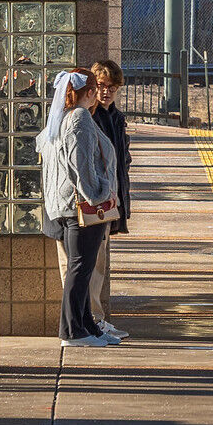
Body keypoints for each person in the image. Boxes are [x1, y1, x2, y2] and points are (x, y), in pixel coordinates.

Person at [40, 69, 118, 348]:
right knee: (79, 268)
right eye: (96, 88)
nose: (99, 93)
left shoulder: (60, 119)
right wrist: (99, 196)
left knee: (80, 269)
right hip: (81, 208)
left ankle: (87, 327)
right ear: (89, 92)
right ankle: (72, 331)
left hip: (62, 206)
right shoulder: (80, 117)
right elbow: (80, 164)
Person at [89, 59, 129, 338]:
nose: (106, 93)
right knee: (92, 265)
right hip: (96, 201)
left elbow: (121, 158)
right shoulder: (89, 117)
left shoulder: (115, 116)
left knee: (98, 264)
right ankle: (92, 319)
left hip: (110, 200)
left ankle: (95, 318)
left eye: (112, 88)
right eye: (102, 86)